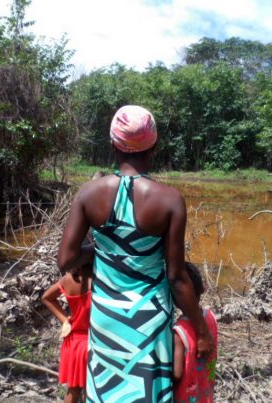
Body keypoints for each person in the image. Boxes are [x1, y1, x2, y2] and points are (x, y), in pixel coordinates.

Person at [57, 105, 213, 402]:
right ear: (153, 145)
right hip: (149, 322)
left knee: (107, 391)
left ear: (114, 143)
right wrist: (201, 330)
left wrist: (98, 250)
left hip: (107, 317)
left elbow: (65, 260)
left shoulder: (88, 194)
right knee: (146, 392)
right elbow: (177, 278)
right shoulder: (169, 200)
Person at [42, 264, 92, 403]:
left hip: (74, 342)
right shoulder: (100, 279)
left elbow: (46, 297)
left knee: (73, 390)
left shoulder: (68, 279)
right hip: (93, 342)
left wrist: (65, 320)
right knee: (92, 390)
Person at [173, 263, 218, 403]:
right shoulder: (210, 317)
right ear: (202, 289)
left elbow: (177, 373)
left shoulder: (179, 331)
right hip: (206, 392)